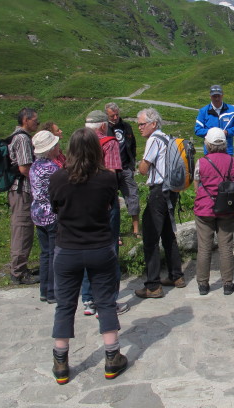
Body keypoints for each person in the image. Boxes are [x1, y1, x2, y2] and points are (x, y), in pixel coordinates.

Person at [48, 128, 127, 384]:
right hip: (100, 247)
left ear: (70, 149)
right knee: (105, 302)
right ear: (96, 149)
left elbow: (55, 207)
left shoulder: (58, 178)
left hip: (67, 248)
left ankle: (61, 364)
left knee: (65, 305)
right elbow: (109, 207)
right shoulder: (107, 179)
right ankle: (112, 358)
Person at [135, 107, 186, 298]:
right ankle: (176, 275)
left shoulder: (154, 140)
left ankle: (153, 285)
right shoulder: (168, 138)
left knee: (150, 238)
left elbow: (143, 168)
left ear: (153, 123)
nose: (139, 127)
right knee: (167, 234)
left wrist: (139, 164)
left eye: (142, 124)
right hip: (171, 191)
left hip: (158, 192)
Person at [81, 111, 128, 316]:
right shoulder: (109, 143)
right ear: (102, 126)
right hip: (105, 203)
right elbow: (112, 175)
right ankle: (107, 301)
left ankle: (88, 299)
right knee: (109, 250)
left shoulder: (80, 142)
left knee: (87, 248)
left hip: (82, 203)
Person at [193, 127, 234, 295]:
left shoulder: (202, 162)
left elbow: (196, 185)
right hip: (227, 208)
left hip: (205, 209)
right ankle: (228, 283)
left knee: (204, 247)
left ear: (208, 144)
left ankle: (203, 284)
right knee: (226, 246)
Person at [8, 107, 40, 285]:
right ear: (26, 120)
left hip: (20, 189)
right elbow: (24, 168)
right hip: (22, 189)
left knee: (23, 228)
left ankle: (20, 267)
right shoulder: (22, 139)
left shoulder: (19, 137)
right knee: (22, 228)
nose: (37, 123)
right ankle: (18, 272)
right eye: (35, 120)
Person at [30, 130, 62, 304]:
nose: (58, 147)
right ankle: (52, 291)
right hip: (51, 214)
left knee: (44, 253)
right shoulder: (52, 168)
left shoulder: (35, 165)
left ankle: (44, 289)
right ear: (50, 149)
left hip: (37, 213)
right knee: (54, 253)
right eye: (55, 145)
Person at [105, 102, 140, 238]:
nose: (115, 117)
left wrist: (132, 165)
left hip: (125, 168)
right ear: (107, 115)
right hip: (110, 170)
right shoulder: (104, 129)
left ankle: (136, 230)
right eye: (112, 115)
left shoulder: (126, 126)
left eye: (117, 114)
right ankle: (115, 232)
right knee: (111, 201)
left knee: (133, 196)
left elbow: (133, 145)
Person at [195, 85, 234, 155]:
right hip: (210, 151)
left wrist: (227, 132)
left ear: (222, 95)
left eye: (219, 96)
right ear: (210, 96)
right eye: (214, 96)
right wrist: (213, 132)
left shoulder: (232, 110)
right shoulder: (203, 111)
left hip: (227, 150)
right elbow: (198, 130)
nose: (217, 99)